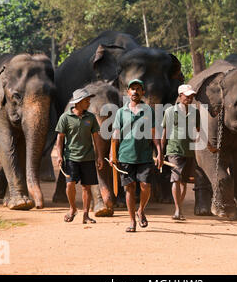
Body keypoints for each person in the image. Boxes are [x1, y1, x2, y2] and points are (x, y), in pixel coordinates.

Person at [110, 79, 163, 232]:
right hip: (125, 155)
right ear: (128, 93)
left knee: (145, 185)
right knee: (129, 188)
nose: (135, 91)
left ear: (143, 92)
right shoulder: (121, 112)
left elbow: (154, 133)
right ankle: (132, 221)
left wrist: (159, 152)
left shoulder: (148, 111)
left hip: (145, 155)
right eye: (132, 89)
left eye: (138, 89)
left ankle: (141, 210)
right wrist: (112, 154)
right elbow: (115, 134)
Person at [55, 88, 104, 224]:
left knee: (86, 187)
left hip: (88, 158)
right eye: (86, 100)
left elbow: (96, 138)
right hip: (71, 157)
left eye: (89, 100)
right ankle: (73, 209)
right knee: (70, 184)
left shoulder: (91, 117)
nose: (89, 102)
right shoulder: (65, 118)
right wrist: (59, 156)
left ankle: (86, 215)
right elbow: (60, 139)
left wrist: (99, 156)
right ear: (78, 102)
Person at [161, 84, 203, 221]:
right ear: (180, 96)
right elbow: (164, 133)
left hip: (189, 151)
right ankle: (178, 210)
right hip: (174, 149)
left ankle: (179, 207)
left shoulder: (194, 112)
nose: (190, 98)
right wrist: (161, 152)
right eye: (187, 96)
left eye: (192, 96)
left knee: (184, 181)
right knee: (176, 178)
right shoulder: (169, 112)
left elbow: (198, 130)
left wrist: (208, 145)